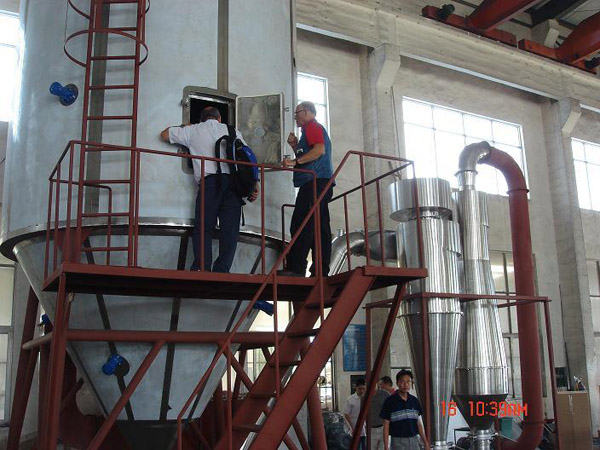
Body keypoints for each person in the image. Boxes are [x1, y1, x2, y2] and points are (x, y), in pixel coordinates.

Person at [160, 107, 259, 272]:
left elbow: (164, 134)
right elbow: (248, 158)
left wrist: (185, 125)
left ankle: (202, 267)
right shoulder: (233, 131)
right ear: (219, 118)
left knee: (204, 227)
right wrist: (255, 183)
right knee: (230, 230)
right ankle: (222, 270)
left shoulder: (193, 130)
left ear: (202, 119)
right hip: (233, 185)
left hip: (210, 184)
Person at [278, 101, 334, 277]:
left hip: (315, 182)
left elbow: (319, 150)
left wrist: (294, 161)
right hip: (319, 182)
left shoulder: (312, 126)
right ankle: (320, 270)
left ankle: (296, 267)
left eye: (298, 112)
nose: (295, 116)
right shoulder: (307, 132)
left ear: (308, 112)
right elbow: (309, 155)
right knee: (319, 227)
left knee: (301, 224)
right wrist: (295, 147)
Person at [380, 370, 429, 450]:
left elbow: (418, 423)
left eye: (408, 382)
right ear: (397, 383)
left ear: (411, 383)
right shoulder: (389, 401)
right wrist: (386, 446)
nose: (405, 385)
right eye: (402, 382)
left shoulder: (414, 401)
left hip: (414, 440)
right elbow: (386, 425)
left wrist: (425, 442)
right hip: (398, 441)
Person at [343, 378, 367, 450]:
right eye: (359, 389)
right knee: (356, 446)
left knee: (365, 446)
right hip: (354, 428)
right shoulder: (350, 399)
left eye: (363, 389)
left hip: (365, 428)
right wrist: (351, 427)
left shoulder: (367, 399)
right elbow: (346, 414)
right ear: (356, 388)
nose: (361, 391)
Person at [370, 377, 392, 450]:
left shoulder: (385, 394)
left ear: (377, 382)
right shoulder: (365, 397)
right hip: (371, 429)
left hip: (383, 427)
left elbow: (391, 410)